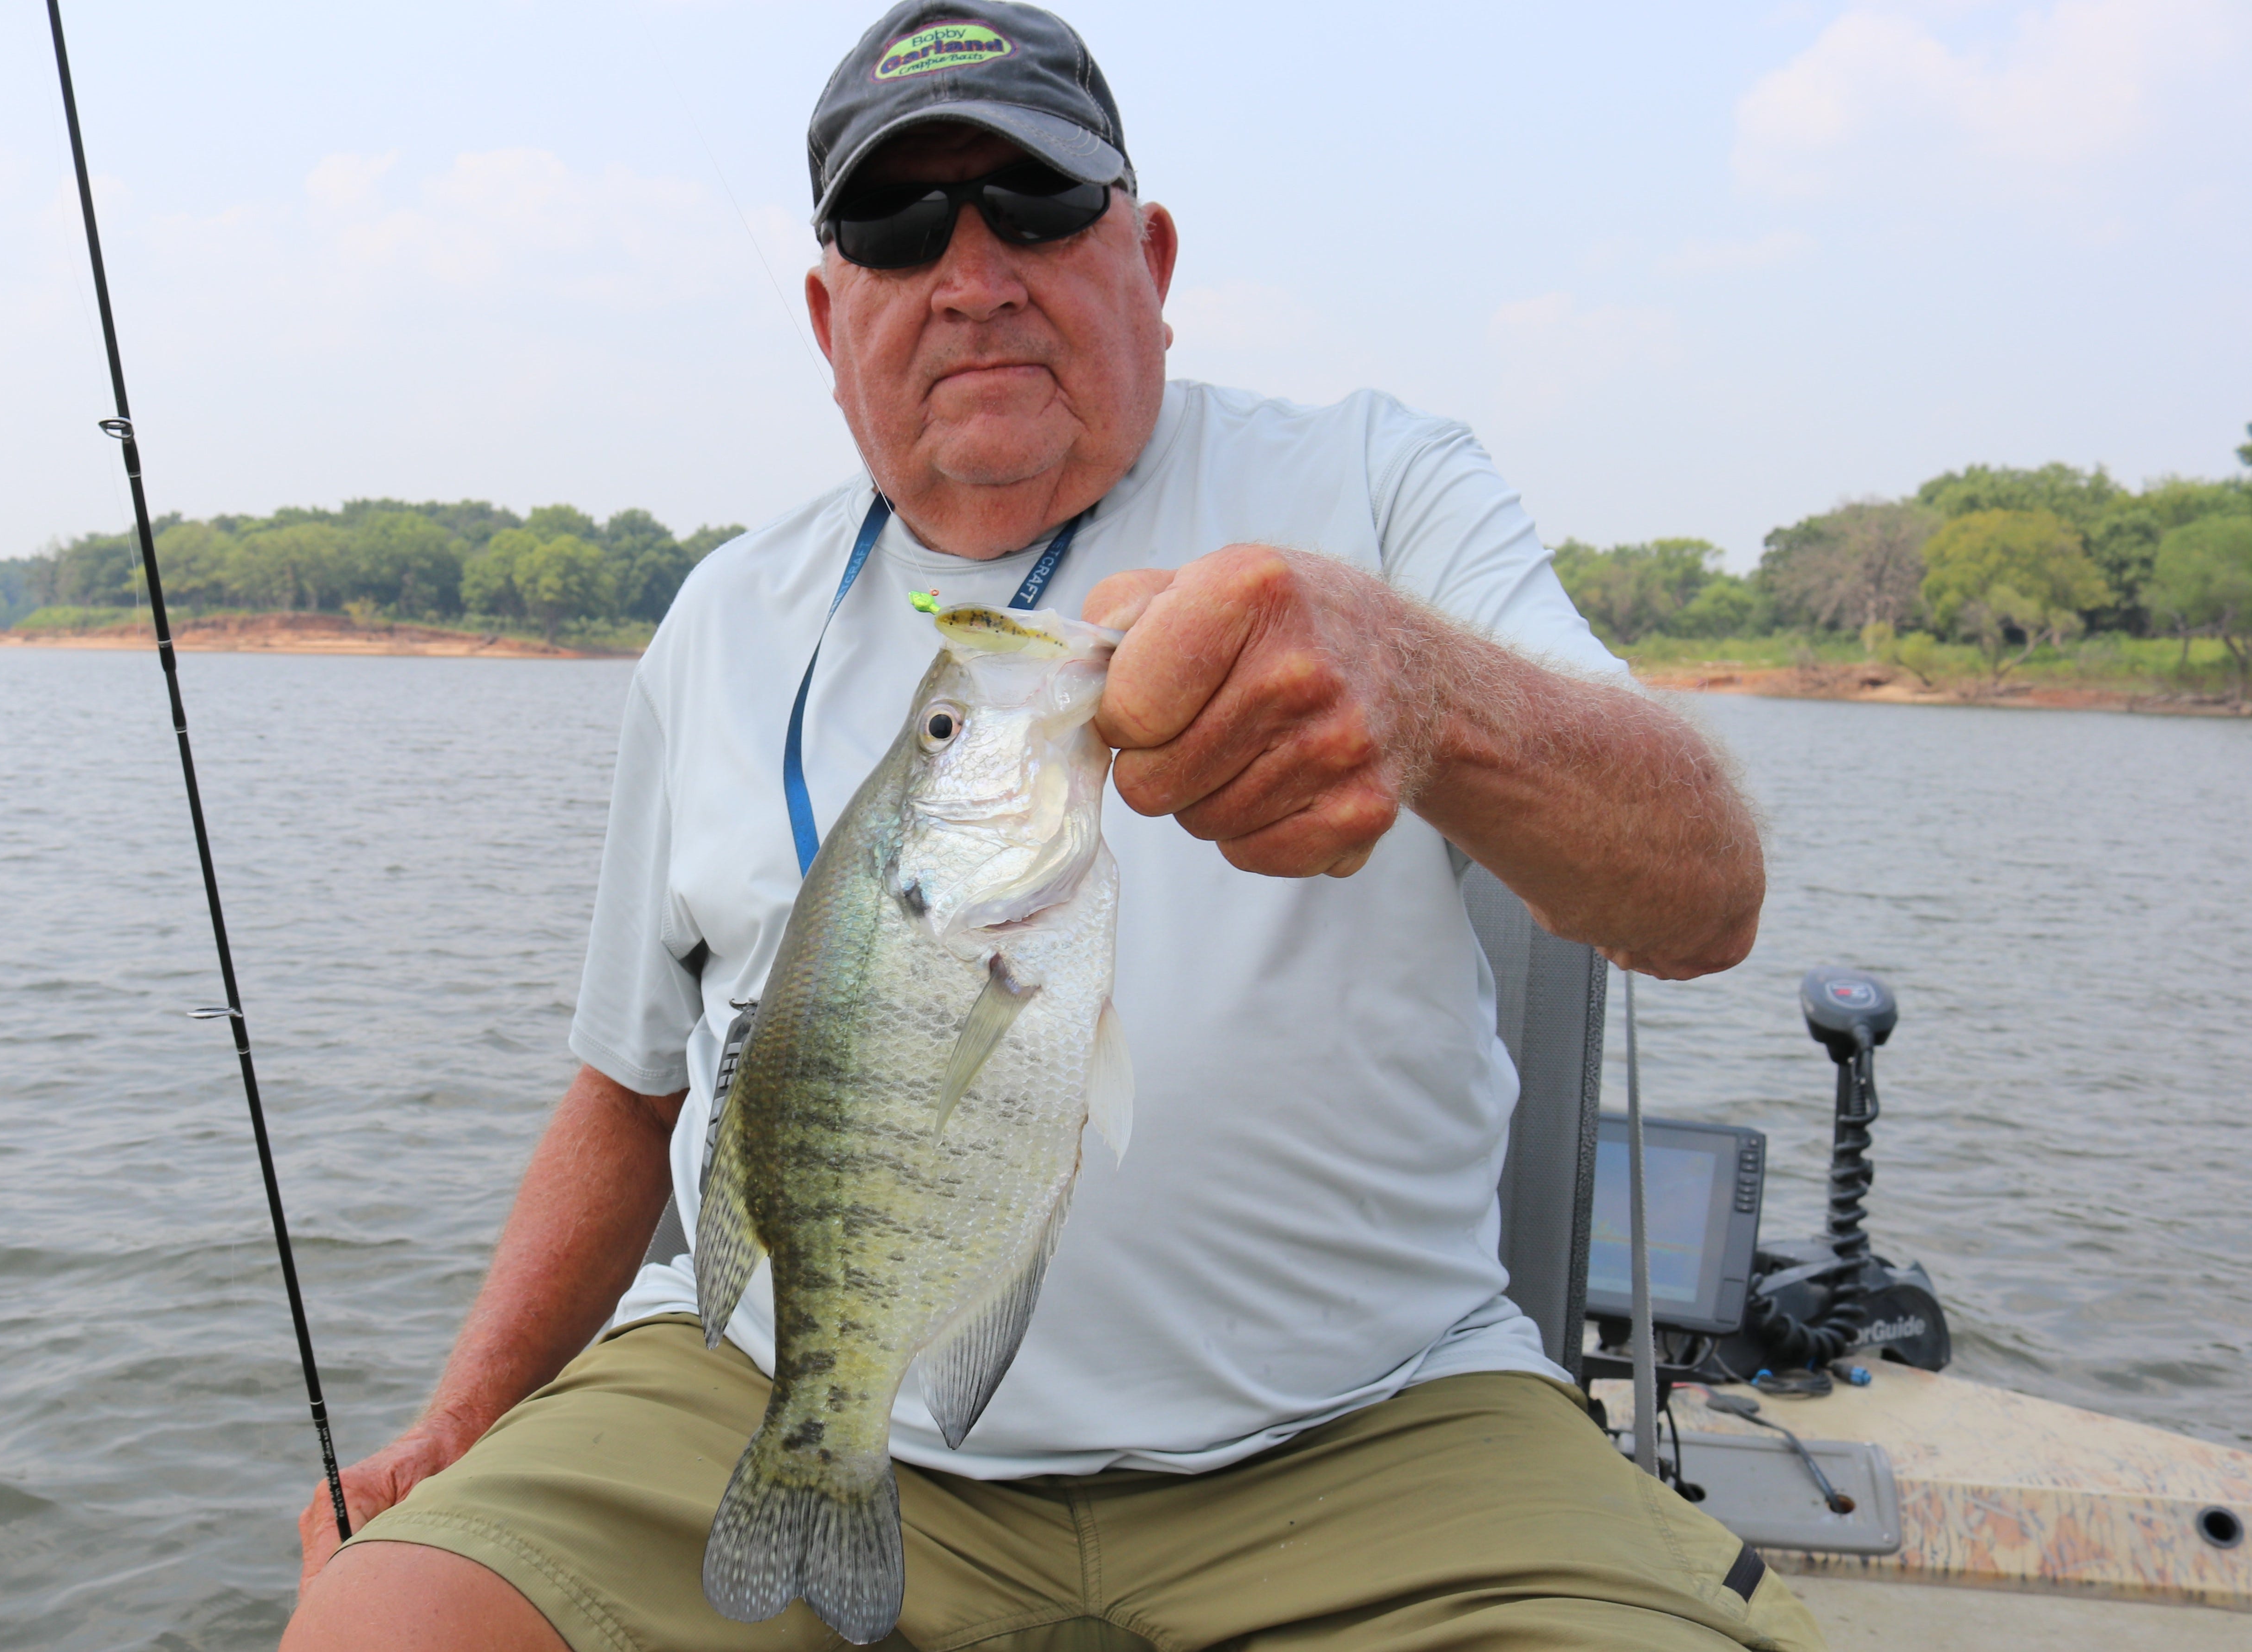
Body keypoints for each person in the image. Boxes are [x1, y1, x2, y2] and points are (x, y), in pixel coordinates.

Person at [284, 4, 1811, 1648]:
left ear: (1147, 258)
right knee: (392, 1622)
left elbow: (1706, 898)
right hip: (778, 1380)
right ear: (827, 309)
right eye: (897, 223)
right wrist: (459, 1419)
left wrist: (1429, 692)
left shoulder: (1375, 486)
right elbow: (626, 1085)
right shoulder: (724, 620)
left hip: (1371, 1424)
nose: (973, 271)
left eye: (1034, 203)